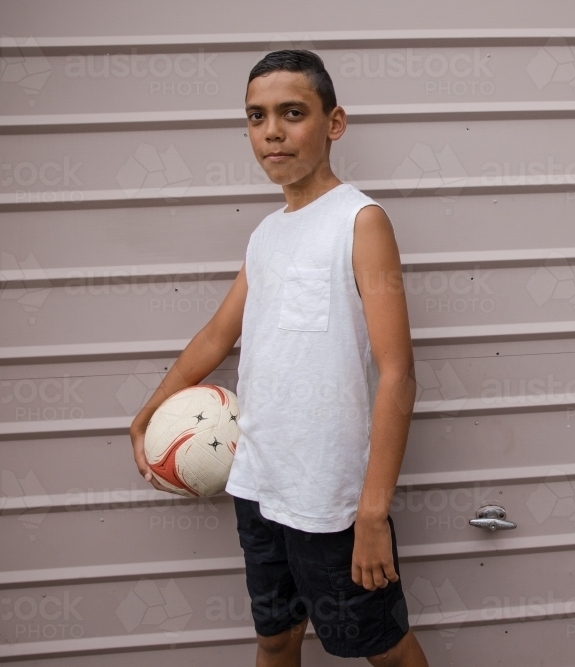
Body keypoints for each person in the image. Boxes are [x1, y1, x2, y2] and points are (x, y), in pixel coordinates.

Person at [129, 49, 429, 667]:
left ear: (333, 123)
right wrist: (150, 410)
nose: (272, 131)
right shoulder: (267, 234)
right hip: (258, 481)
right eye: (256, 116)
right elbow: (218, 333)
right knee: (275, 637)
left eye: (292, 113)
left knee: (383, 648)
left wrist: (371, 514)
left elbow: (397, 373)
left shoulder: (359, 220)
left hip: (329, 498)